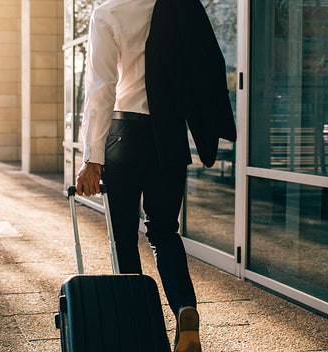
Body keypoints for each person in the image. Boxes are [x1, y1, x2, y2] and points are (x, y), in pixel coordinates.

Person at [75, 0, 236, 351]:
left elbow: (102, 89)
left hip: (125, 134)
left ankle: (138, 330)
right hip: (170, 135)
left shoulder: (108, 12)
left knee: (123, 239)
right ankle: (184, 308)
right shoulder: (180, 7)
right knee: (164, 232)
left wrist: (92, 158)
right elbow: (205, 66)